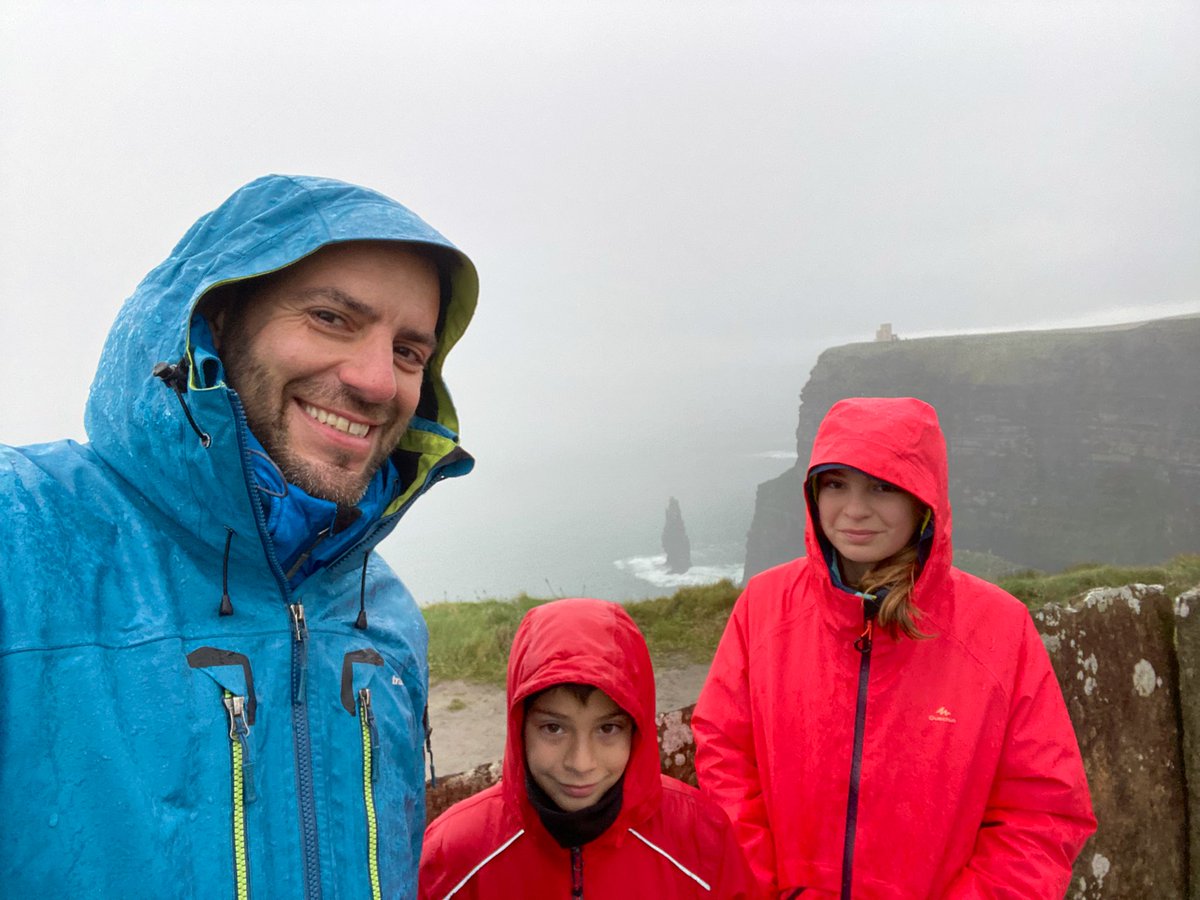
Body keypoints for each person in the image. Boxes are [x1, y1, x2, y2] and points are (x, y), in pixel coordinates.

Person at [0, 174, 479, 897]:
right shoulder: (25, 539)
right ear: (217, 320)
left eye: (410, 352)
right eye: (331, 317)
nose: (379, 382)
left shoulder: (385, 615)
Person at [692, 396, 1096, 898]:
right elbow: (725, 757)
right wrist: (762, 889)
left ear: (923, 499)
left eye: (883, 486)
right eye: (835, 484)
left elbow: (1043, 812)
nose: (855, 510)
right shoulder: (764, 605)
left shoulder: (999, 628)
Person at [418, 597, 755, 899]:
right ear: (519, 726)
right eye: (553, 728)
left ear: (635, 730)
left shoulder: (702, 840)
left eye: (607, 728)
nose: (581, 763)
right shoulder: (453, 856)